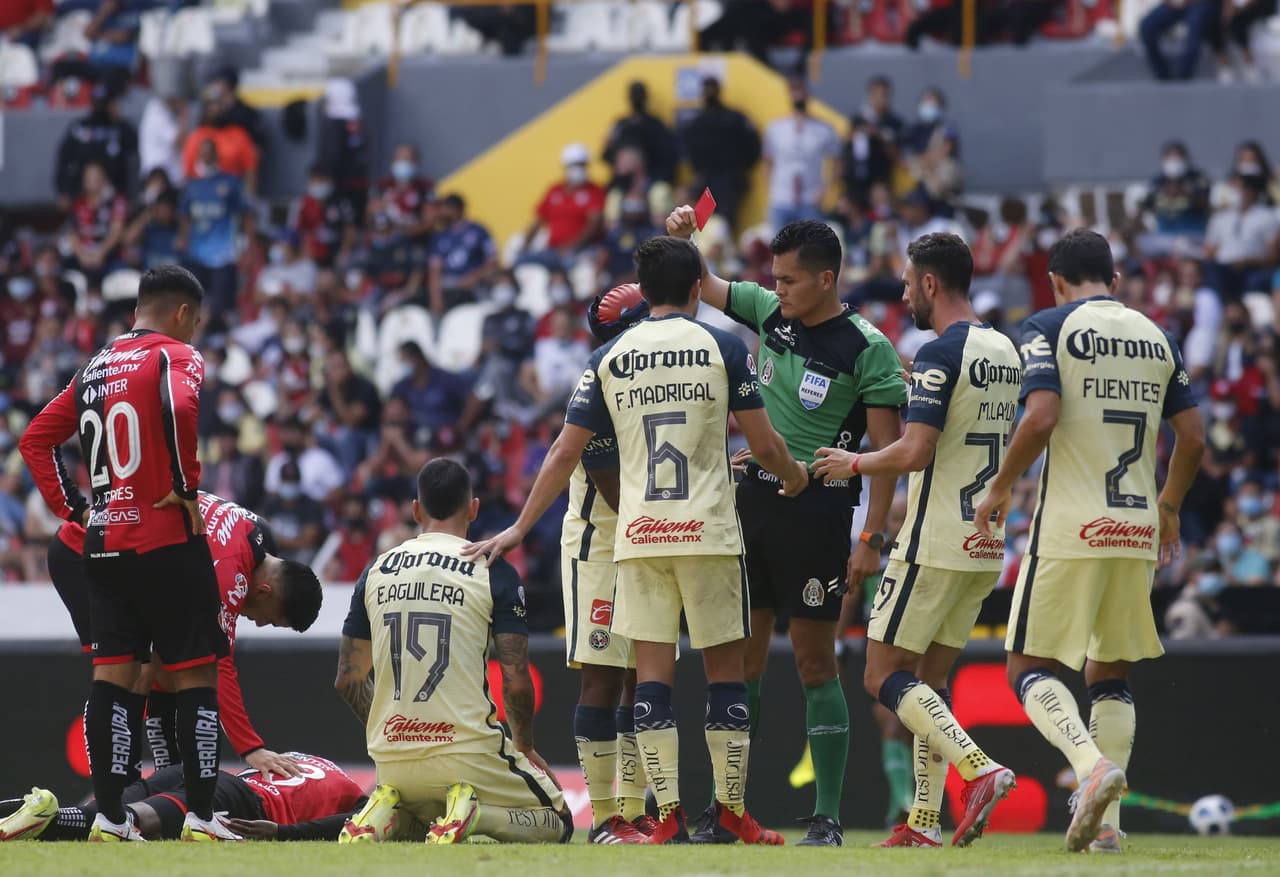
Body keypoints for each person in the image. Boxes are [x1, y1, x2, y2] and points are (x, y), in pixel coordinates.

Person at [466, 236, 808, 845]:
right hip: (706, 529)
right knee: (725, 673)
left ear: (644, 292)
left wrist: (519, 526)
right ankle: (728, 812)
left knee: (649, 680)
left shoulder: (608, 359)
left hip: (639, 534)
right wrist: (794, 476)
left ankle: (668, 816)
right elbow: (763, 444)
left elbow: (563, 449)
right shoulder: (723, 346)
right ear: (699, 289)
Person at [665, 210, 907, 846]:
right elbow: (703, 282)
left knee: (814, 664)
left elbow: (888, 458)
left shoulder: (868, 348)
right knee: (742, 659)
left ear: (826, 280)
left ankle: (827, 817)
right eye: (774, 279)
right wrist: (686, 236)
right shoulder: (772, 311)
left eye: (791, 281)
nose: (779, 291)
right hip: (750, 507)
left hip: (820, 517)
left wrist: (872, 538)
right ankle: (730, 808)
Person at [973, 229, 1205, 852]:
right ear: (1117, 279)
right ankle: (1109, 829)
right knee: (1108, 674)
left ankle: (1090, 767)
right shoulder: (1159, 336)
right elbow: (1195, 438)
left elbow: (1041, 415)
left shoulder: (1046, 325)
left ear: (1054, 281)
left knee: (1025, 667)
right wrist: (1170, 506)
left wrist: (998, 486)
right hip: (1135, 527)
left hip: (1073, 524)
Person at [810, 233, 1021, 848]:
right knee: (929, 686)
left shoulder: (939, 352)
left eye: (907, 283)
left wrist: (853, 464)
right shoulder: (1003, 349)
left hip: (932, 541)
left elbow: (915, 449)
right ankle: (925, 823)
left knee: (882, 678)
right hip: (985, 543)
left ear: (931, 283)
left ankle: (979, 769)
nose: (904, 293)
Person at [18, 265, 238, 842]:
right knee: (195, 677)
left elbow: (35, 437)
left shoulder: (93, 367)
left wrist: (74, 510)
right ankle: (203, 816)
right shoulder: (177, 355)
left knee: (113, 676)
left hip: (104, 543)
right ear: (185, 313)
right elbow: (183, 408)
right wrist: (188, 488)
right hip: (165, 538)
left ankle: (112, 819)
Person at [335, 459, 571, 844]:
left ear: (415, 510)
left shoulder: (375, 570)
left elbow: (347, 679)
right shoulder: (490, 568)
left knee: (424, 813)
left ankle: (385, 818)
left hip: (392, 761)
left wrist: (393, 733)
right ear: (473, 509)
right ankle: (477, 816)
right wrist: (524, 746)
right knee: (559, 821)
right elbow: (514, 680)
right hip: (468, 756)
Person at [45, 491, 323, 779]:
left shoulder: (259, 535)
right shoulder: (228, 576)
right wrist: (252, 749)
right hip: (83, 554)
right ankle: (116, 784)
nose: (260, 624)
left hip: (129, 554)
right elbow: (221, 665)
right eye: (271, 620)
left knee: (167, 662)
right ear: (265, 592)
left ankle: (165, 775)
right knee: (128, 671)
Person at [559, 285, 655, 844]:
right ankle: (603, 819)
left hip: (644, 543)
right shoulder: (597, 388)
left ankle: (633, 809)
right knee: (603, 678)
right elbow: (617, 492)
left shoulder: (637, 383)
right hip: (600, 546)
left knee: (643, 680)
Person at [0, 753, 364, 842]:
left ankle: (33, 812)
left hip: (209, 772)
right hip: (242, 799)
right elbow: (349, 827)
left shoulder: (310, 758)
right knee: (130, 821)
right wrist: (283, 833)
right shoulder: (361, 797)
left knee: (104, 811)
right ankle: (48, 816)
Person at [178, 139, 251, 326]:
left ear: (216, 154)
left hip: (223, 255)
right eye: (202, 151)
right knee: (195, 301)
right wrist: (184, 242)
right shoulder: (190, 186)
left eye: (209, 151)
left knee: (220, 306)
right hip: (196, 254)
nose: (205, 155)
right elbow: (185, 218)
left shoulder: (230, 183)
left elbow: (245, 214)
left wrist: (245, 244)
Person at [678, 75, 761, 229]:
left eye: (712, 88)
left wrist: (739, 171)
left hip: (728, 181)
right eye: (706, 88)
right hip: (705, 181)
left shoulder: (734, 119)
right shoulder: (697, 123)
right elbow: (688, 152)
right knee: (702, 223)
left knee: (725, 224)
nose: (709, 92)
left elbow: (753, 147)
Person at [762, 77, 840, 231]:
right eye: (794, 91)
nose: (798, 95)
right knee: (779, 248)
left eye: (801, 90)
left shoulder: (823, 129)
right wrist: (771, 190)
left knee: (810, 249)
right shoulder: (776, 128)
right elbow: (767, 160)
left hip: (810, 199)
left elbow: (838, 161)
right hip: (781, 198)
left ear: (808, 94)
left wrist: (825, 188)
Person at [520, 143, 606, 271]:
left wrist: (572, 246)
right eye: (574, 165)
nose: (578, 169)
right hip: (553, 250)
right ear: (566, 167)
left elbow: (594, 224)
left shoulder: (594, 191)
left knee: (570, 264)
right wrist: (524, 246)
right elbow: (537, 221)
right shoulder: (555, 190)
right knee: (520, 261)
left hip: (582, 249)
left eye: (582, 165)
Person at [601, 81, 678, 185]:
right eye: (634, 95)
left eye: (639, 94)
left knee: (659, 194)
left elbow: (667, 155)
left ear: (645, 97)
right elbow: (606, 154)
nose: (637, 98)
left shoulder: (656, 125)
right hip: (624, 181)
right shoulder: (620, 125)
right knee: (614, 196)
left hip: (650, 179)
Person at [1140, 0, 1221, 82]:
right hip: (1177, 4)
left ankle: (1183, 77)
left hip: (1203, 4)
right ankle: (1163, 76)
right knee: (1147, 26)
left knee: (1194, 28)